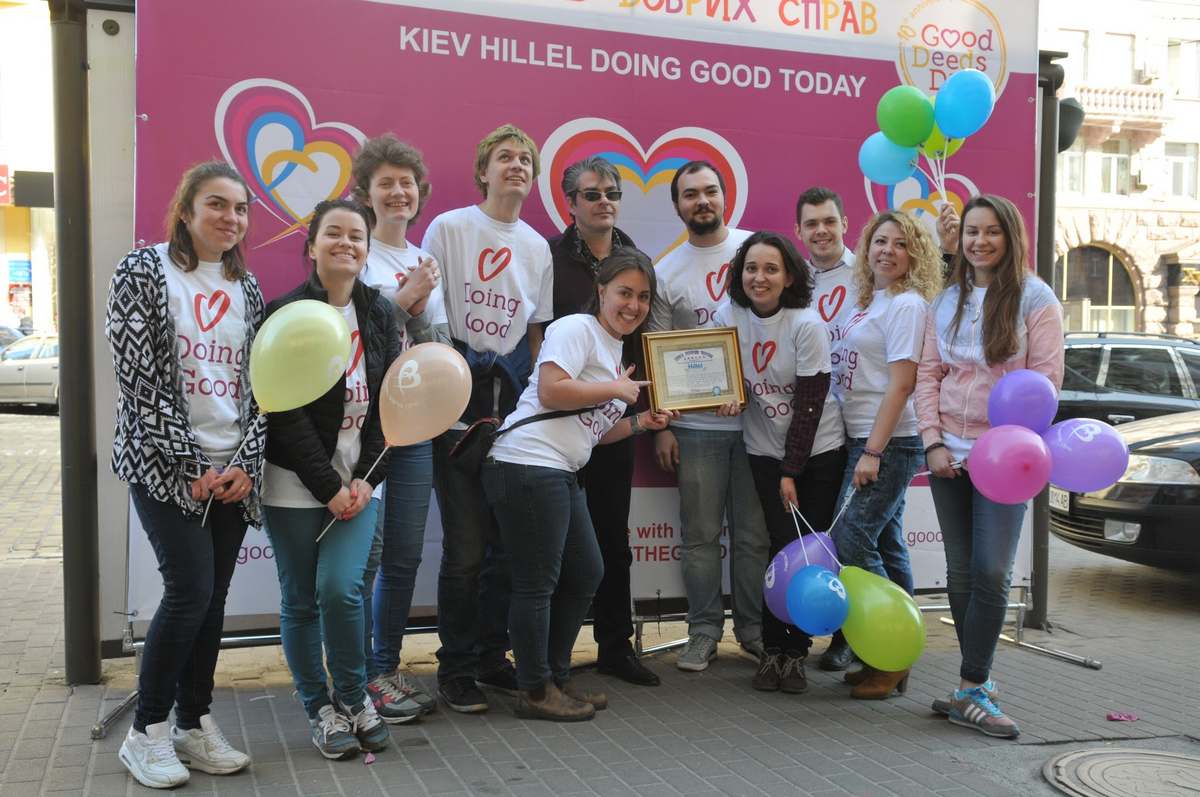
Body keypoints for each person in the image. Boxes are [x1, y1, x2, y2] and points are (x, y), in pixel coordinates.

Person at [106, 161, 261, 788]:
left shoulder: (247, 287)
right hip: (164, 464)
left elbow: (263, 385)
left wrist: (245, 460)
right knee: (190, 590)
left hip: (231, 468)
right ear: (187, 210)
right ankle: (145, 732)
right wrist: (189, 462)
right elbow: (137, 379)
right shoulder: (143, 271)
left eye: (240, 208)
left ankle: (193, 725)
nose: (230, 217)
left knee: (213, 599)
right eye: (216, 204)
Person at [484, 248, 673, 721]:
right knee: (537, 584)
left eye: (643, 297)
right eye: (624, 293)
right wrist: (615, 390)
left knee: (588, 571)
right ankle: (535, 690)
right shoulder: (576, 328)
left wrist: (641, 422)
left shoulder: (614, 349)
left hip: (560, 469)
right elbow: (552, 390)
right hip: (528, 463)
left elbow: (594, 431)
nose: (633, 305)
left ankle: (554, 675)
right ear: (601, 290)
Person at [915, 194, 1063, 739]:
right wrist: (932, 442)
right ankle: (971, 686)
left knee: (993, 572)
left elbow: (1045, 384)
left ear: (1011, 236)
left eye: (991, 231)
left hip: (1005, 458)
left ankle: (973, 685)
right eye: (972, 232)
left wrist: (1006, 447)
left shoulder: (1036, 299)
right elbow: (928, 375)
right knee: (960, 572)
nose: (979, 242)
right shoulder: (945, 300)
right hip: (948, 455)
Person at [421, 124, 554, 713]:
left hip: (511, 417)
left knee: (505, 550)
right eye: (505, 156)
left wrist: (530, 396)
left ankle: (491, 658)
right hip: (455, 413)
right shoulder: (449, 228)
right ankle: (454, 668)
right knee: (466, 551)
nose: (517, 165)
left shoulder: (537, 246)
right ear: (483, 171)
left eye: (526, 159)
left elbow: (535, 330)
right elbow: (430, 316)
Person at [261, 200, 398, 760]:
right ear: (311, 245)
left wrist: (366, 478)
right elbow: (284, 413)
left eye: (356, 235)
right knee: (301, 599)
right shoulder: (286, 313)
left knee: (341, 589)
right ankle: (318, 707)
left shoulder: (380, 313)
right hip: (295, 482)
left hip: (358, 485)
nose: (346, 243)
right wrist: (330, 487)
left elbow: (392, 402)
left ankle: (354, 697)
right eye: (333, 233)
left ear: (367, 249)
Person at [647, 160, 770, 671]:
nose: (702, 201)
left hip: (760, 425)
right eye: (690, 194)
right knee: (699, 537)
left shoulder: (756, 252)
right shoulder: (665, 271)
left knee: (753, 537)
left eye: (710, 191)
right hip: (695, 429)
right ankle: (702, 632)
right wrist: (663, 426)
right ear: (677, 205)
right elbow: (655, 353)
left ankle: (754, 631)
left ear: (725, 196)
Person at [714, 231, 844, 694]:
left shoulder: (807, 324)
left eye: (771, 269)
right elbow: (723, 379)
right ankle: (773, 649)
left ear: (789, 276)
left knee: (807, 553)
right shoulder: (727, 316)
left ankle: (796, 654)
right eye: (751, 268)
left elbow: (810, 405)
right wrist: (726, 395)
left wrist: (791, 471)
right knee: (779, 547)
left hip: (819, 452)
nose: (759, 277)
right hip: (764, 451)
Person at [548, 156, 658, 687]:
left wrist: (656, 418)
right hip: (557, 422)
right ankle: (550, 658)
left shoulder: (635, 257)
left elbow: (648, 341)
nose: (604, 201)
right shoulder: (548, 257)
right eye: (592, 194)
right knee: (555, 544)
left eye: (611, 192)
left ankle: (616, 647)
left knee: (613, 538)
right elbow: (538, 335)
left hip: (616, 421)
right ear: (570, 203)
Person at [351, 134, 448, 723]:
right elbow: (348, 335)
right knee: (366, 558)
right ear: (365, 192)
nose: (397, 192)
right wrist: (403, 300)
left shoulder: (425, 260)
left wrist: (423, 310)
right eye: (385, 183)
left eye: (406, 183)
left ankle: (384, 669)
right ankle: (357, 675)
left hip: (415, 425)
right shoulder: (354, 251)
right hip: (362, 429)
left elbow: (436, 345)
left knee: (405, 555)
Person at [830, 209, 941, 699]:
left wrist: (872, 452)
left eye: (900, 243)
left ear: (915, 254)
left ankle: (891, 652)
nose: (887, 250)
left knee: (852, 540)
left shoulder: (907, 305)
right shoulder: (870, 301)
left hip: (888, 442)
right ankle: (893, 655)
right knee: (888, 543)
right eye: (880, 241)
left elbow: (901, 385)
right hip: (864, 437)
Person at [794, 186, 856, 672]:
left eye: (829, 221)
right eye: (812, 223)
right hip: (812, 428)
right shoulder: (793, 281)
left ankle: (850, 636)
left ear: (844, 224)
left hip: (862, 426)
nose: (821, 231)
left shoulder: (868, 274)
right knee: (824, 533)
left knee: (857, 537)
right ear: (798, 231)